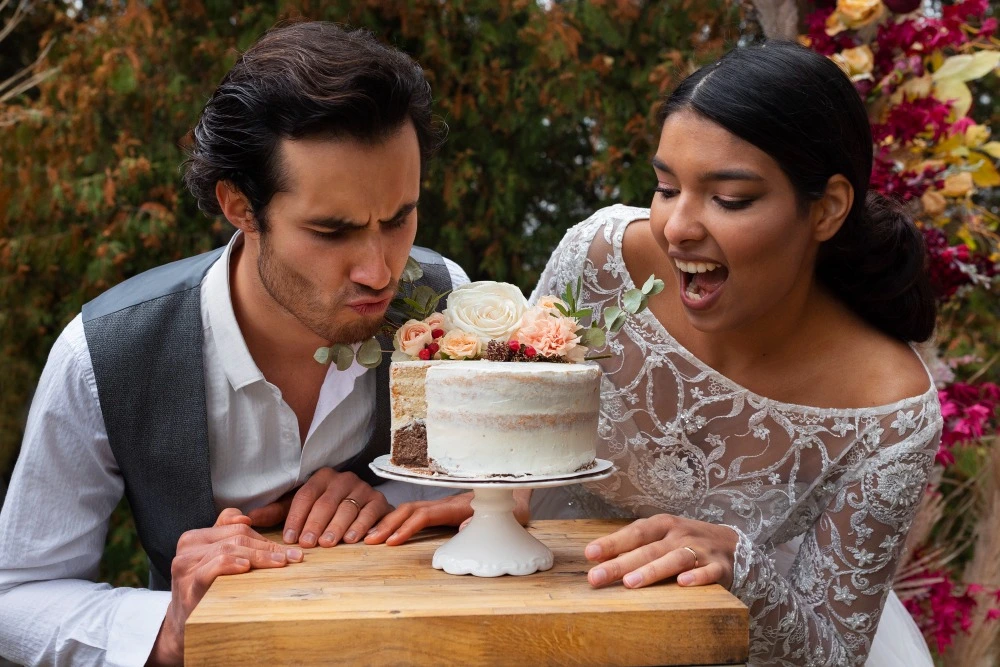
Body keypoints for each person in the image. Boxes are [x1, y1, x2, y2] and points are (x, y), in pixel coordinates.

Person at [368, 41, 941, 666]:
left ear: (827, 208)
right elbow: (531, 407)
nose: (677, 227)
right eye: (666, 187)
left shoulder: (891, 409)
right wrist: (502, 497)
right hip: (534, 600)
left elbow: (830, 654)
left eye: (729, 199)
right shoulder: (601, 259)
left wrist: (739, 565)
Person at [0, 21, 467, 666]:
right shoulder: (103, 356)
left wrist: (402, 502)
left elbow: (505, 497)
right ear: (239, 206)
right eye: (331, 231)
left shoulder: (447, 303)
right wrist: (167, 625)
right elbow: (15, 593)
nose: (380, 270)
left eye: (399, 220)